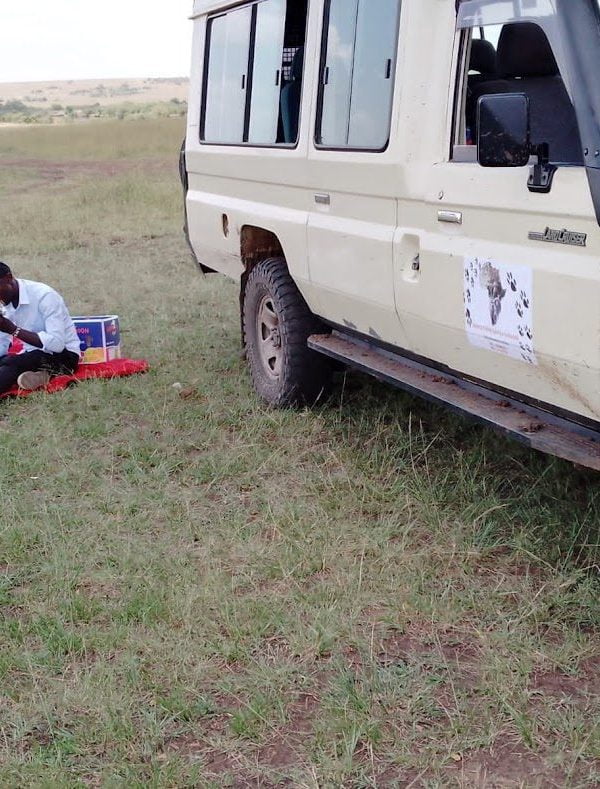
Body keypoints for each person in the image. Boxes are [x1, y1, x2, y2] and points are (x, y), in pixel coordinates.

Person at [0, 262, 81, 394]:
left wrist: (14, 330)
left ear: (9, 277)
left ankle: (42, 373)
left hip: (64, 356)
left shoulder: (44, 296)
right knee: (6, 360)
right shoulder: (4, 300)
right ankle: (42, 375)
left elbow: (57, 344)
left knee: (11, 363)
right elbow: (2, 343)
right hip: (32, 354)